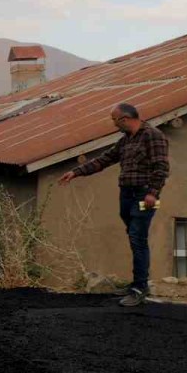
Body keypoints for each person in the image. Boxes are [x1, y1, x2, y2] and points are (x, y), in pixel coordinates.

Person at [58, 102, 170, 307]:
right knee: (134, 235)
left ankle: (139, 288)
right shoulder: (126, 140)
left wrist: (153, 193)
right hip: (126, 195)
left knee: (138, 237)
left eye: (114, 120)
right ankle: (135, 283)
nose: (113, 124)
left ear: (125, 119)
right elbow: (105, 159)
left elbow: (161, 167)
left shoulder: (153, 136)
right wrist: (76, 172)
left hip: (145, 196)